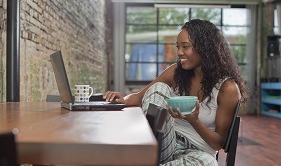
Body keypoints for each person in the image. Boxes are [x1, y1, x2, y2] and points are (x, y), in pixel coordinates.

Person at [103, 19, 248, 166]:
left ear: (205, 48)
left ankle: (141, 159)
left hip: (198, 153)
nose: (179, 52)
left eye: (185, 47)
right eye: (178, 47)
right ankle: (144, 148)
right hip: (166, 143)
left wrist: (194, 121)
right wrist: (122, 99)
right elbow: (138, 98)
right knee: (159, 88)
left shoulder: (227, 88)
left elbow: (218, 144)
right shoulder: (175, 72)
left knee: (208, 163)